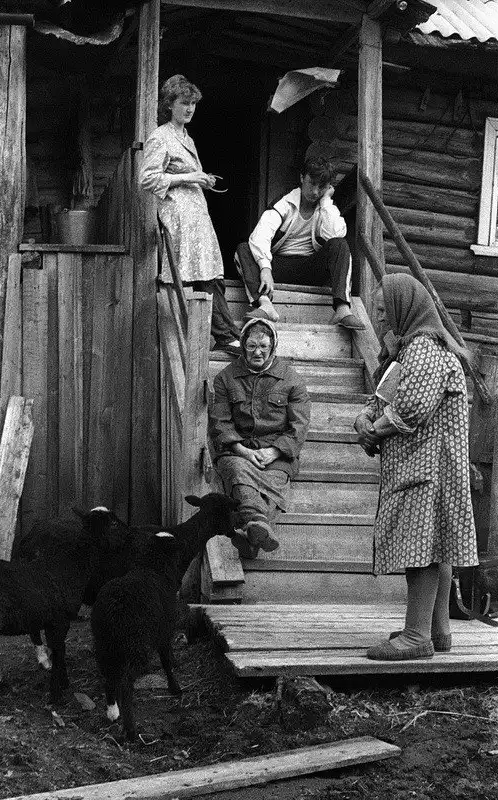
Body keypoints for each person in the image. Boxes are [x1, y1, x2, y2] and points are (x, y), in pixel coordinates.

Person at [354, 274, 478, 661]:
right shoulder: (408, 351)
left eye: (383, 309)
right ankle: (437, 631)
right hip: (419, 468)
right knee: (435, 547)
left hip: (429, 469)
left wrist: (372, 430)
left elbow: (410, 409)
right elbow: (385, 399)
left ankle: (416, 636)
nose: (379, 316)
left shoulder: (425, 348)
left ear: (404, 308)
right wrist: (365, 419)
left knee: (421, 552)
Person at [140, 74, 241, 355]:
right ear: (169, 105)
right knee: (190, 276)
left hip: (196, 215)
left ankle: (226, 334)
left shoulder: (187, 138)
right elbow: (147, 179)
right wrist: (189, 177)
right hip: (179, 217)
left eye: (193, 103)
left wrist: (201, 179)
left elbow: (183, 174)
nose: (189, 109)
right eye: (184, 103)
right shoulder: (161, 136)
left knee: (210, 273)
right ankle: (212, 336)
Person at [209, 318, 311, 558]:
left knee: (274, 481)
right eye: (252, 346)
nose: (258, 352)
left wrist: (274, 451)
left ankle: (250, 531)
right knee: (237, 472)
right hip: (239, 450)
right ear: (243, 346)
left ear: (273, 347)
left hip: (277, 453)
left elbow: (300, 424)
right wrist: (243, 451)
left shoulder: (291, 380)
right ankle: (258, 527)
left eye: (264, 346)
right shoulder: (225, 378)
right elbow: (220, 421)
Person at [234, 156, 364, 330]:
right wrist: (265, 268)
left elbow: (335, 235)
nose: (315, 192)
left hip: (310, 270)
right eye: (312, 183)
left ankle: (342, 309)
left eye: (322, 187)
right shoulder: (285, 203)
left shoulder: (325, 208)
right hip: (278, 269)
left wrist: (326, 201)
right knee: (244, 248)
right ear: (302, 178)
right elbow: (260, 235)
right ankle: (265, 305)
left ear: (328, 187)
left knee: (340, 244)